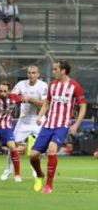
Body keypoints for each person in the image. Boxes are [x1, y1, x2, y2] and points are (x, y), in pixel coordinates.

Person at [30, 60, 86, 194]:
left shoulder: (75, 86)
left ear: (63, 71)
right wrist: (40, 116)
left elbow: (83, 106)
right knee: (33, 156)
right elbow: (47, 103)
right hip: (48, 124)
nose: (53, 72)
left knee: (52, 149)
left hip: (62, 125)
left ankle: (49, 185)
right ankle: (39, 174)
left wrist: (76, 124)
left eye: (55, 69)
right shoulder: (52, 85)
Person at [0, 66, 48, 181]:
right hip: (23, 120)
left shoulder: (43, 86)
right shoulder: (21, 84)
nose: (31, 75)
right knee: (12, 144)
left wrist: (30, 99)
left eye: (33, 73)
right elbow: (12, 97)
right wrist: (20, 98)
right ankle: (8, 169)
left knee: (42, 147)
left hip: (39, 119)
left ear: (38, 74)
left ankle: (35, 168)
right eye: (29, 73)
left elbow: (45, 104)